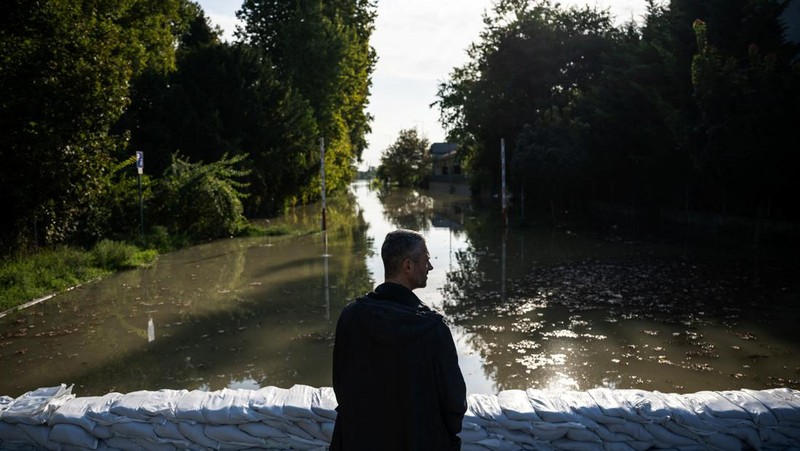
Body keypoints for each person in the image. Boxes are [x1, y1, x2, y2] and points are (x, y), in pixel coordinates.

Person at [331, 229, 467, 450]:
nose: (430, 267)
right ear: (408, 266)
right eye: (426, 260)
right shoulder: (433, 329)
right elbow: (454, 402)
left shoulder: (351, 317)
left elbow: (341, 386)